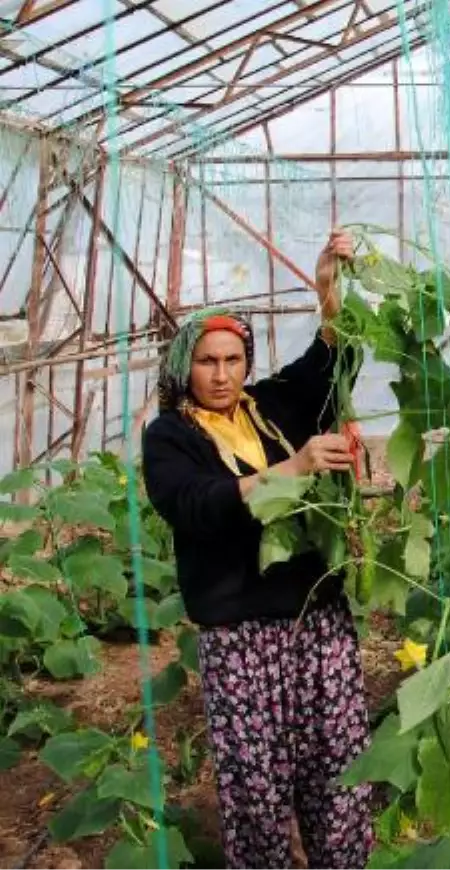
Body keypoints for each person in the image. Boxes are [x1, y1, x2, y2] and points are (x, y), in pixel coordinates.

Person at [142, 231, 372, 869]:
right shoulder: (170, 436)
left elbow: (330, 366)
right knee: (256, 785)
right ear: (184, 367)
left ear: (247, 363)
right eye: (207, 362)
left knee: (338, 763)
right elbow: (196, 504)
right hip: (239, 632)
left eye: (232, 360)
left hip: (314, 619)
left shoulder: (269, 407)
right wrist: (291, 471)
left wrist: (329, 294)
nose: (221, 375)